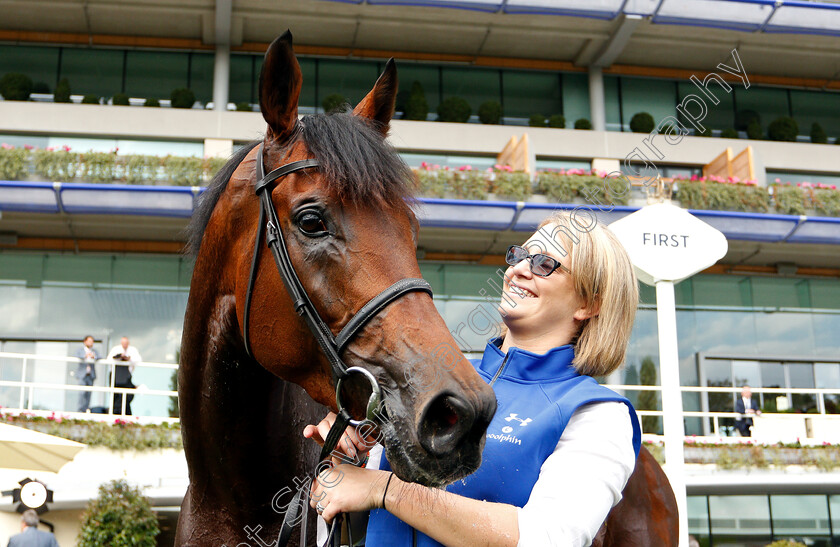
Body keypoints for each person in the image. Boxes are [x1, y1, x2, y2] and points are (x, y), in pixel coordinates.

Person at [304, 211, 642, 546]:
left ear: (588, 302)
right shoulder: (436, 376)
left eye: (543, 264)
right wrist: (353, 457)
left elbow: (544, 539)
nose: (518, 270)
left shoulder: (599, 414)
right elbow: (358, 522)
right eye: (519, 256)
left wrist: (382, 488)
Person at [107, 336, 142, 415]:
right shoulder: (115, 349)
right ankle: (115, 413)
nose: (124, 345)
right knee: (115, 395)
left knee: (128, 396)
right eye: (123, 343)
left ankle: (126, 413)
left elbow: (138, 360)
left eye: (126, 343)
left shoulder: (133, 350)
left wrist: (129, 359)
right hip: (115, 377)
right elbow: (109, 359)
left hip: (126, 377)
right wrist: (119, 357)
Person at [72, 336, 100, 413]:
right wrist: (86, 356)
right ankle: (80, 410)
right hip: (82, 375)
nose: (91, 343)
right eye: (89, 341)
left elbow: (99, 357)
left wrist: (93, 356)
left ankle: (86, 410)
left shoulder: (94, 351)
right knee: (82, 393)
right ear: (85, 341)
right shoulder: (80, 351)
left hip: (91, 375)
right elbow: (77, 355)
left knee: (89, 394)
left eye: (92, 341)